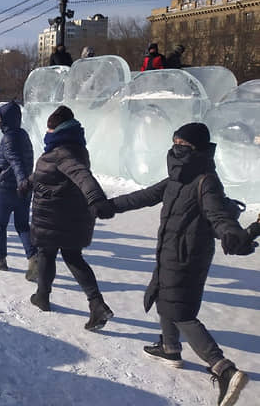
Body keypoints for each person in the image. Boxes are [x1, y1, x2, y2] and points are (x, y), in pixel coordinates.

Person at [108, 123, 253, 406]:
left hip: (189, 255)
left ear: (196, 148)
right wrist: (108, 205)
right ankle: (170, 348)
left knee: (181, 312)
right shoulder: (177, 177)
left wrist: (230, 232)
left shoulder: (205, 180)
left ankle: (224, 369)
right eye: (175, 140)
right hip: (170, 249)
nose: (177, 146)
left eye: (183, 142)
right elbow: (144, 196)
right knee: (165, 297)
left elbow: (218, 215)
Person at [28, 105, 115, 331]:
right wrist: (26, 183)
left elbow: (82, 176)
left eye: (49, 129)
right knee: (73, 257)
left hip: (56, 215)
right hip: (71, 215)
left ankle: (42, 296)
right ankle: (96, 303)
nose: (46, 133)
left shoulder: (63, 152)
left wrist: (97, 198)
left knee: (46, 253)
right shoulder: (71, 148)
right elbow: (46, 174)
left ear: (56, 130)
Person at [0, 101, 38, 279]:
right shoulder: (21, 135)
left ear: (6, 119)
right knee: (22, 225)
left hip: (7, 190)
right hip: (24, 190)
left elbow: (15, 161)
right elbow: (5, 157)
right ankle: (34, 258)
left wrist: (21, 180)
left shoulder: (8, 137)